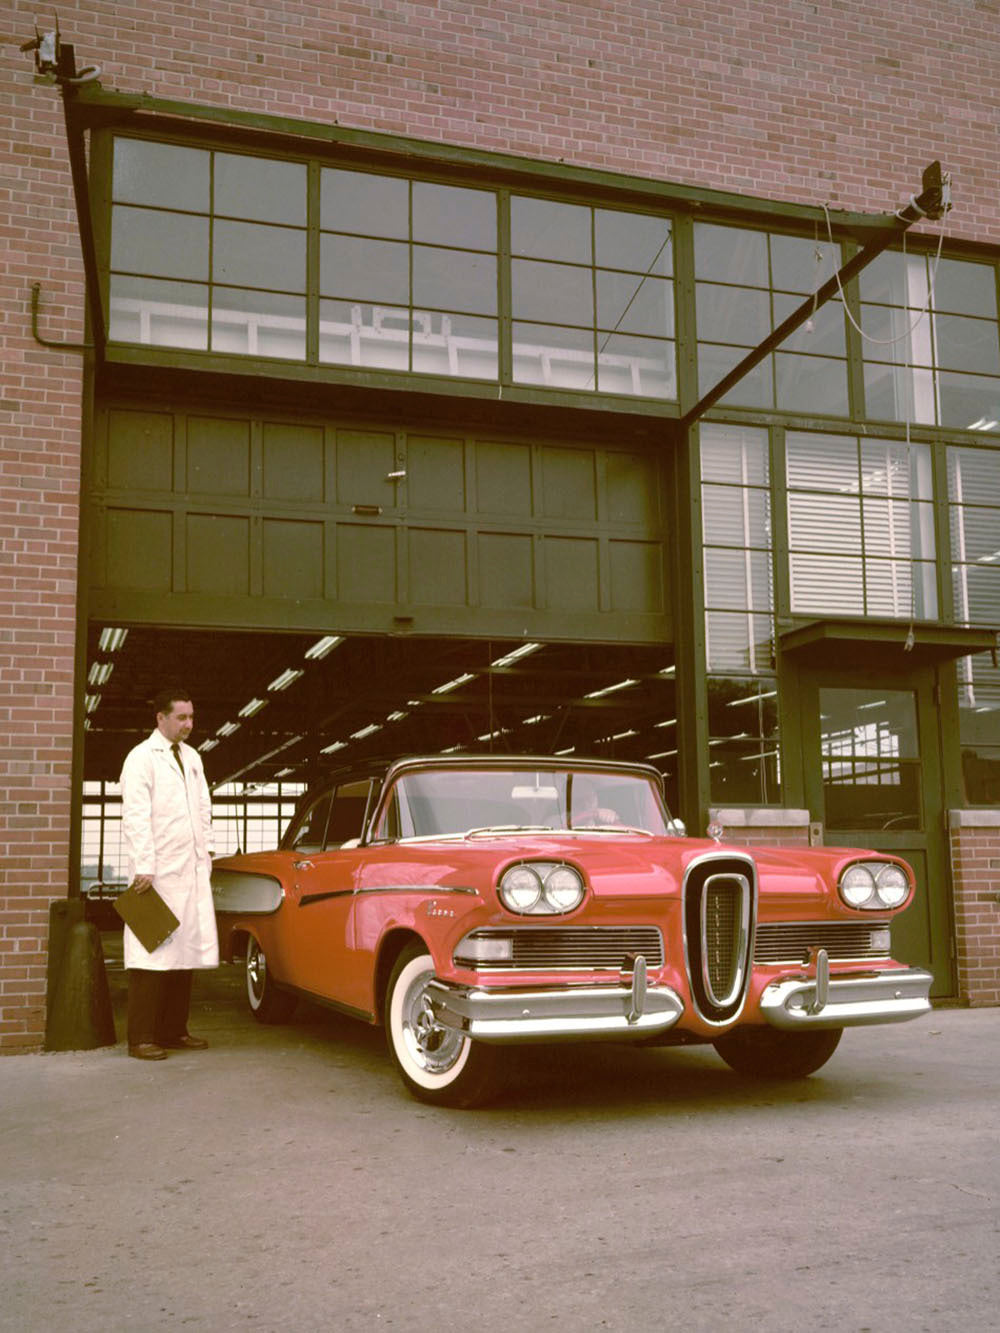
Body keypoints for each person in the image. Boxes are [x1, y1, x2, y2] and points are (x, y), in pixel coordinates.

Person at [119, 687, 218, 1060]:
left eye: (191, 717)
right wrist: (144, 863)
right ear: (160, 718)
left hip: (189, 869)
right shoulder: (141, 758)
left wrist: (206, 849)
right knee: (152, 953)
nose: (188, 725)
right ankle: (141, 1038)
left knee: (184, 952)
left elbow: (203, 806)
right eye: (181, 718)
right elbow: (136, 816)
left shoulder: (192, 757)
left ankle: (175, 1030)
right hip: (156, 874)